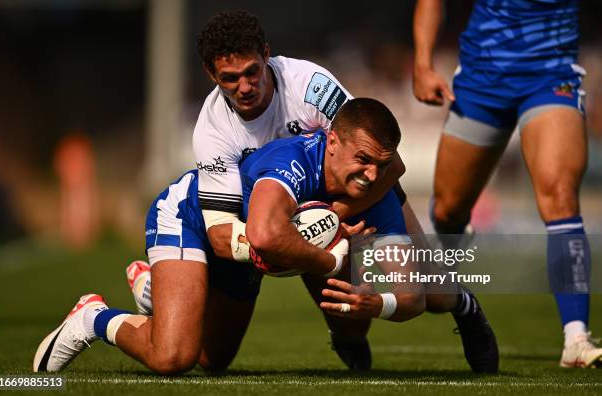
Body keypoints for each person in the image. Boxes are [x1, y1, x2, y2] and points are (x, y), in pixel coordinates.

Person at [131, 10, 496, 372]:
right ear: (211, 75)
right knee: (212, 359)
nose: (245, 86)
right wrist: (282, 243)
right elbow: (223, 236)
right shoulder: (211, 133)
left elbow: (382, 158)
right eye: (230, 78)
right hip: (275, 218)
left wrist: (334, 217)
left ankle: (462, 308)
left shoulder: (310, 85)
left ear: (267, 55)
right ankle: (159, 291)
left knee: (431, 292)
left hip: (347, 196)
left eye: (252, 72)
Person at [33, 98, 498, 375]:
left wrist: (381, 305)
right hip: (198, 221)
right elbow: (264, 236)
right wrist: (336, 257)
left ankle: (158, 289)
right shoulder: (290, 163)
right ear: (332, 141)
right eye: (362, 159)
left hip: (258, 251)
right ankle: (93, 317)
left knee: (214, 362)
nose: (371, 175)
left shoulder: (375, 186)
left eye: (382, 165)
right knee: (173, 356)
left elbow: (411, 295)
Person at [412, 0, 601, 368]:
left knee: (561, 197)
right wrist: (421, 64)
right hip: (483, 79)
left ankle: (576, 337)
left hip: (551, 76)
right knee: (449, 208)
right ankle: (452, 234)